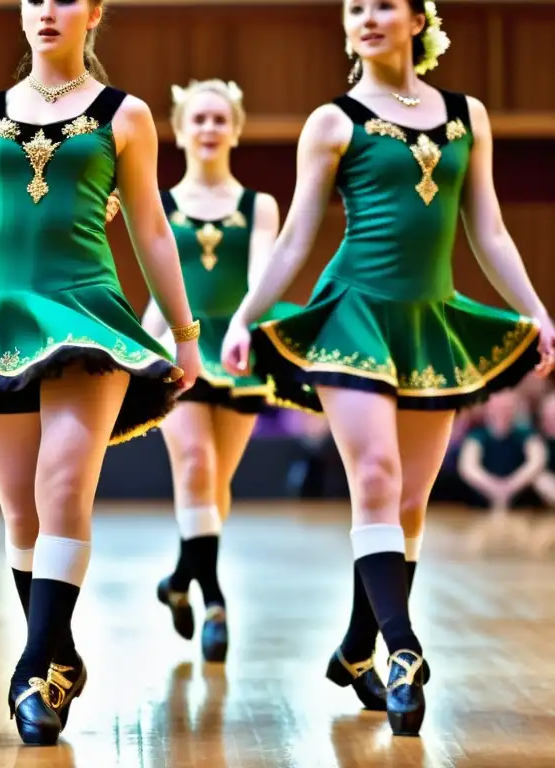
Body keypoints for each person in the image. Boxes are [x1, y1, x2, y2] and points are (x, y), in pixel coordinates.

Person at [220, 0, 555, 737]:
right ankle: (403, 652)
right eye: (354, 8)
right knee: (375, 478)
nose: (367, 17)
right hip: (354, 315)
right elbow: (295, 239)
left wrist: (537, 309)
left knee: (407, 506)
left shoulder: (468, 115)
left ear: (417, 19)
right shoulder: (332, 122)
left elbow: (490, 228)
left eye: (383, 5)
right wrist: (245, 315)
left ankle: (357, 645)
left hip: (429, 321)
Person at [0, 0, 200, 746]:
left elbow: (150, 226)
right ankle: (58, 651)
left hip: (89, 320)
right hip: (1, 328)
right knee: (21, 513)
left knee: (61, 488)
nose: (46, 10)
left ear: (93, 13)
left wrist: (184, 334)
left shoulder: (127, 115)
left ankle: (32, 671)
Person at [139, 78, 294, 663]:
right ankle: (215, 601)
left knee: (215, 484)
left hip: (236, 349)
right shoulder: (162, 205)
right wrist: (141, 347)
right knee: (197, 463)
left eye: (218, 118)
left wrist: (247, 325)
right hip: (181, 348)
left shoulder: (260, 206)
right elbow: (160, 292)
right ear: (179, 131)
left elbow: (261, 278)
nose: (208, 128)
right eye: (197, 119)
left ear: (235, 127)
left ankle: (179, 579)